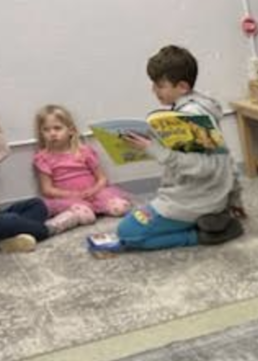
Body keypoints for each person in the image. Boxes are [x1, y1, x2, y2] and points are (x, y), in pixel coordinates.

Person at [101, 45, 243, 252]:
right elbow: (225, 157)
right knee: (139, 221)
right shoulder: (195, 108)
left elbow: (206, 167)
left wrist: (155, 149)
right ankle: (211, 219)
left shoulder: (193, 115)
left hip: (195, 200)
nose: (154, 90)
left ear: (183, 87)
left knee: (128, 234)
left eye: (160, 85)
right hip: (195, 195)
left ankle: (205, 235)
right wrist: (234, 199)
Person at [33, 104, 132, 234]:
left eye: (57, 128)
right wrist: (72, 195)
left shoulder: (84, 151)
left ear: (71, 130)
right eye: (46, 130)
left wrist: (94, 190)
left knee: (121, 207)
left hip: (95, 193)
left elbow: (102, 178)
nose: (52, 133)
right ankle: (51, 227)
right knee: (86, 217)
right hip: (67, 198)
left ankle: (98, 207)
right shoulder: (43, 157)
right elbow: (47, 189)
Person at [0, 106, 50, 253]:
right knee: (8, 221)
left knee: (36, 204)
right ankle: (48, 230)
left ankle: (7, 240)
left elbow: (1, 151)